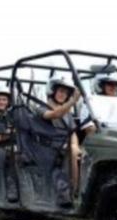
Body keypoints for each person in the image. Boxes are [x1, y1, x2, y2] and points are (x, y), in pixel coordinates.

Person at [35, 76, 82, 204]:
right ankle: (70, 194)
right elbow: (54, 114)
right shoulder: (41, 107)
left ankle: (82, 191)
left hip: (64, 146)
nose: (63, 95)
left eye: (66, 93)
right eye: (61, 91)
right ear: (52, 91)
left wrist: (74, 145)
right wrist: (72, 101)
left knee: (81, 152)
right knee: (70, 153)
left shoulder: (67, 112)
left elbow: (72, 132)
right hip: (46, 148)